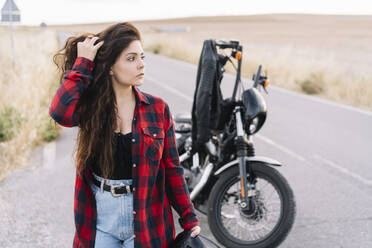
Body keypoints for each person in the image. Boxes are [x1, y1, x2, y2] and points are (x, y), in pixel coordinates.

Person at [49, 22, 201, 248]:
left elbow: (172, 168)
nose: (141, 65)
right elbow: (60, 113)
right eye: (131, 59)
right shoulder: (91, 108)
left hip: (146, 218)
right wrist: (83, 64)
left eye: (142, 57)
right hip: (100, 217)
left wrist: (189, 217)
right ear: (110, 67)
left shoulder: (157, 109)